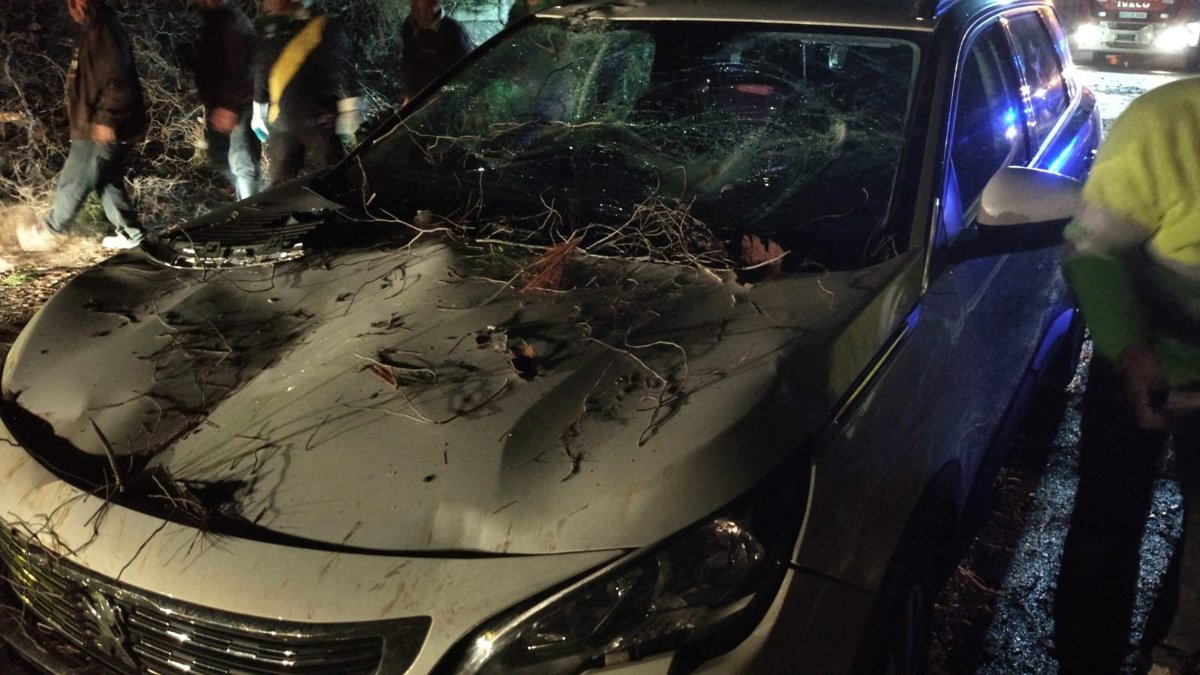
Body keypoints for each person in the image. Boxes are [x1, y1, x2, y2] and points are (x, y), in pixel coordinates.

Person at [1054, 77, 1200, 675]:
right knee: (1106, 524)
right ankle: (1087, 659)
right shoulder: (1167, 118)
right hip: (1143, 356)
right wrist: (1131, 351)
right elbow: (1092, 249)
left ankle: (1167, 651)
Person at [40, 0, 149, 250]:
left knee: (75, 178)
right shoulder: (93, 30)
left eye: (74, 3)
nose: (71, 9)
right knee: (107, 180)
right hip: (97, 123)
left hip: (100, 126)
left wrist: (106, 118)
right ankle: (132, 235)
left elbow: (117, 77)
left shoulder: (104, 30)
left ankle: (50, 231)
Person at [251, 0, 362, 186]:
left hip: (320, 122)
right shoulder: (269, 31)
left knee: (330, 182)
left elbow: (345, 66)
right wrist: (258, 108)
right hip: (283, 124)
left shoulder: (324, 27)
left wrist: (351, 107)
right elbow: (263, 69)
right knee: (281, 188)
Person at [182, 0, 261, 201]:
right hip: (224, 104)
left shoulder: (227, 22)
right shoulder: (216, 21)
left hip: (236, 104)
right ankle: (251, 202)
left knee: (242, 162)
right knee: (222, 157)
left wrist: (229, 106)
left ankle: (253, 208)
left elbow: (240, 65)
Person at [400, 0, 472, 103]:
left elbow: (465, 77)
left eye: (418, 7)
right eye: (412, 5)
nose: (413, 7)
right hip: (415, 101)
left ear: (435, 4)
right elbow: (407, 61)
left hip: (441, 104)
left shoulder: (454, 33)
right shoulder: (409, 25)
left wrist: (439, 100)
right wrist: (409, 97)